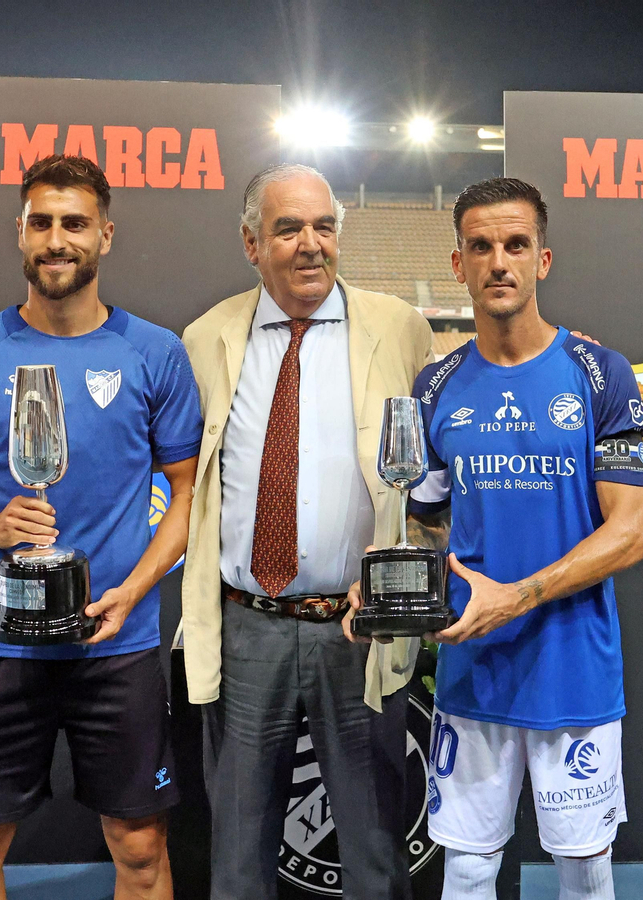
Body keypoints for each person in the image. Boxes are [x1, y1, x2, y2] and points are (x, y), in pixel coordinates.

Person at [348, 177, 643, 900]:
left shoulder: (599, 373)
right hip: (473, 671)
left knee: (583, 872)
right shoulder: (435, 385)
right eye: (480, 247)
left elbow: (631, 533)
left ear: (543, 258)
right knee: (470, 867)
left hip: (572, 669)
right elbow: (426, 521)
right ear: (459, 265)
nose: (499, 261)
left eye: (516, 244)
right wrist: (389, 582)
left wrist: (514, 598)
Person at [0, 155, 200, 900]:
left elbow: (186, 495)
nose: (57, 239)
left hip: (117, 643)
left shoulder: (155, 353)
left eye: (75, 223)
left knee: (139, 849)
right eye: (41, 222)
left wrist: (134, 591)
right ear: (20, 233)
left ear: (105, 234)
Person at [179, 163, 432, 900]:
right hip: (245, 623)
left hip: (357, 628)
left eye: (324, 226)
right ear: (251, 242)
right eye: (289, 228)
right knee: (238, 853)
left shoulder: (400, 329)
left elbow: (433, 472)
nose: (311, 244)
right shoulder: (207, 338)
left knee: (376, 847)